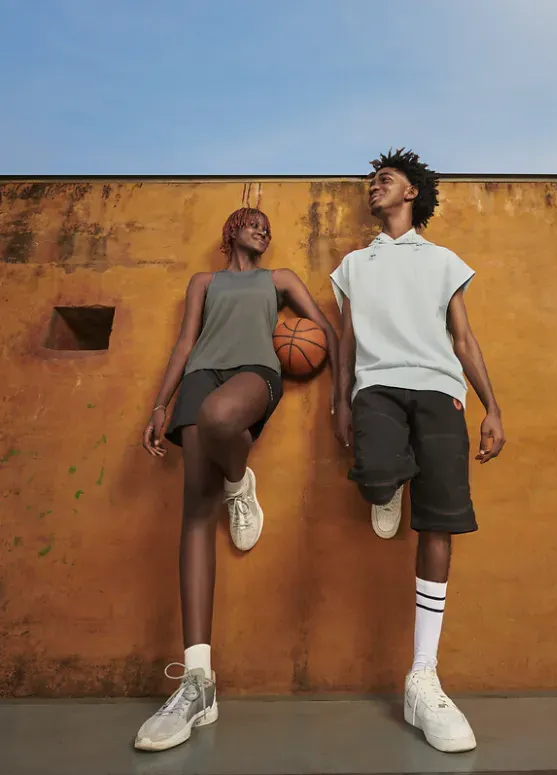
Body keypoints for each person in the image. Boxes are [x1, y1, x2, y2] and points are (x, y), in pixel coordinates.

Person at [135, 207, 338, 752]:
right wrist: (159, 405)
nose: (264, 230)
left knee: (222, 418)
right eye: (254, 222)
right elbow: (184, 344)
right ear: (230, 231)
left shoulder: (280, 280)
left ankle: (238, 479)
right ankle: (198, 683)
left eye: (269, 226)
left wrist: (340, 393)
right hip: (200, 374)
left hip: (255, 373)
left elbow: (327, 333)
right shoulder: (204, 281)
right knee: (195, 516)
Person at [331, 149, 505, 753]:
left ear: (411, 194)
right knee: (376, 474)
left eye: (385, 181)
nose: (374, 188)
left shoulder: (443, 262)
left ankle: (422, 677)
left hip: (439, 390)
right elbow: (348, 339)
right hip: (376, 387)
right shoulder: (354, 263)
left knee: (440, 521)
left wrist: (492, 407)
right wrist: (339, 401)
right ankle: (392, 481)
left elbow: (462, 337)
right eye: (373, 182)